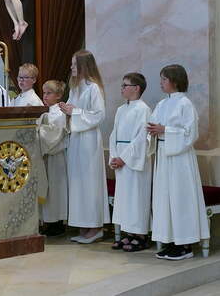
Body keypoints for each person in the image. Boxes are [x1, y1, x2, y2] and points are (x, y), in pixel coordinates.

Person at [147, 64, 210, 260]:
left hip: (180, 158)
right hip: (164, 155)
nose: (161, 83)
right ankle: (170, 241)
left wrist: (166, 130)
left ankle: (185, 245)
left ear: (175, 81)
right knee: (165, 198)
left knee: (180, 198)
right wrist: (152, 131)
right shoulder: (161, 104)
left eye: (164, 79)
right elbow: (153, 126)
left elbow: (191, 134)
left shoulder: (185, 104)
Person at [59, 50, 110, 244]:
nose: (71, 67)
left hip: (88, 140)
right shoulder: (75, 88)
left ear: (83, 66)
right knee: (78, 183)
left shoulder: (93, 88)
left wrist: (75, 111)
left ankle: (96, 227)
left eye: (74, 64)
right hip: (76, 140)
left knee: (89, 182)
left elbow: (98, 115)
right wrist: (66, 111)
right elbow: (73, 112)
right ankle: (83, 225)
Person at [109, 73, 152, 252]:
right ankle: (129, 234)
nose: (122, 88)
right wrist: (113, 156)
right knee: (125, 199)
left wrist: (124, 158)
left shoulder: (143, 109)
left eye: (125, 85)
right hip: (120, 158)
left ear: (136, 88)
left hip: (134, 160)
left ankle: (141, 236)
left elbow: (141, 138)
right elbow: (114, 135)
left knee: (136, 198)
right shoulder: (121, 109)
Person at [38, 80, 68, 236]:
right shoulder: (45, 112)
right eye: (44, 92)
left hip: (55, 156)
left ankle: (56, 222)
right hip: (46, 156)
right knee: (47, 190)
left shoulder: (60, 112)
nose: (45, 96)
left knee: (55, 190)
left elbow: (54, 134)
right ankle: (47, 221)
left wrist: (37, 131)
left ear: (58, 96)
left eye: (49, 93)